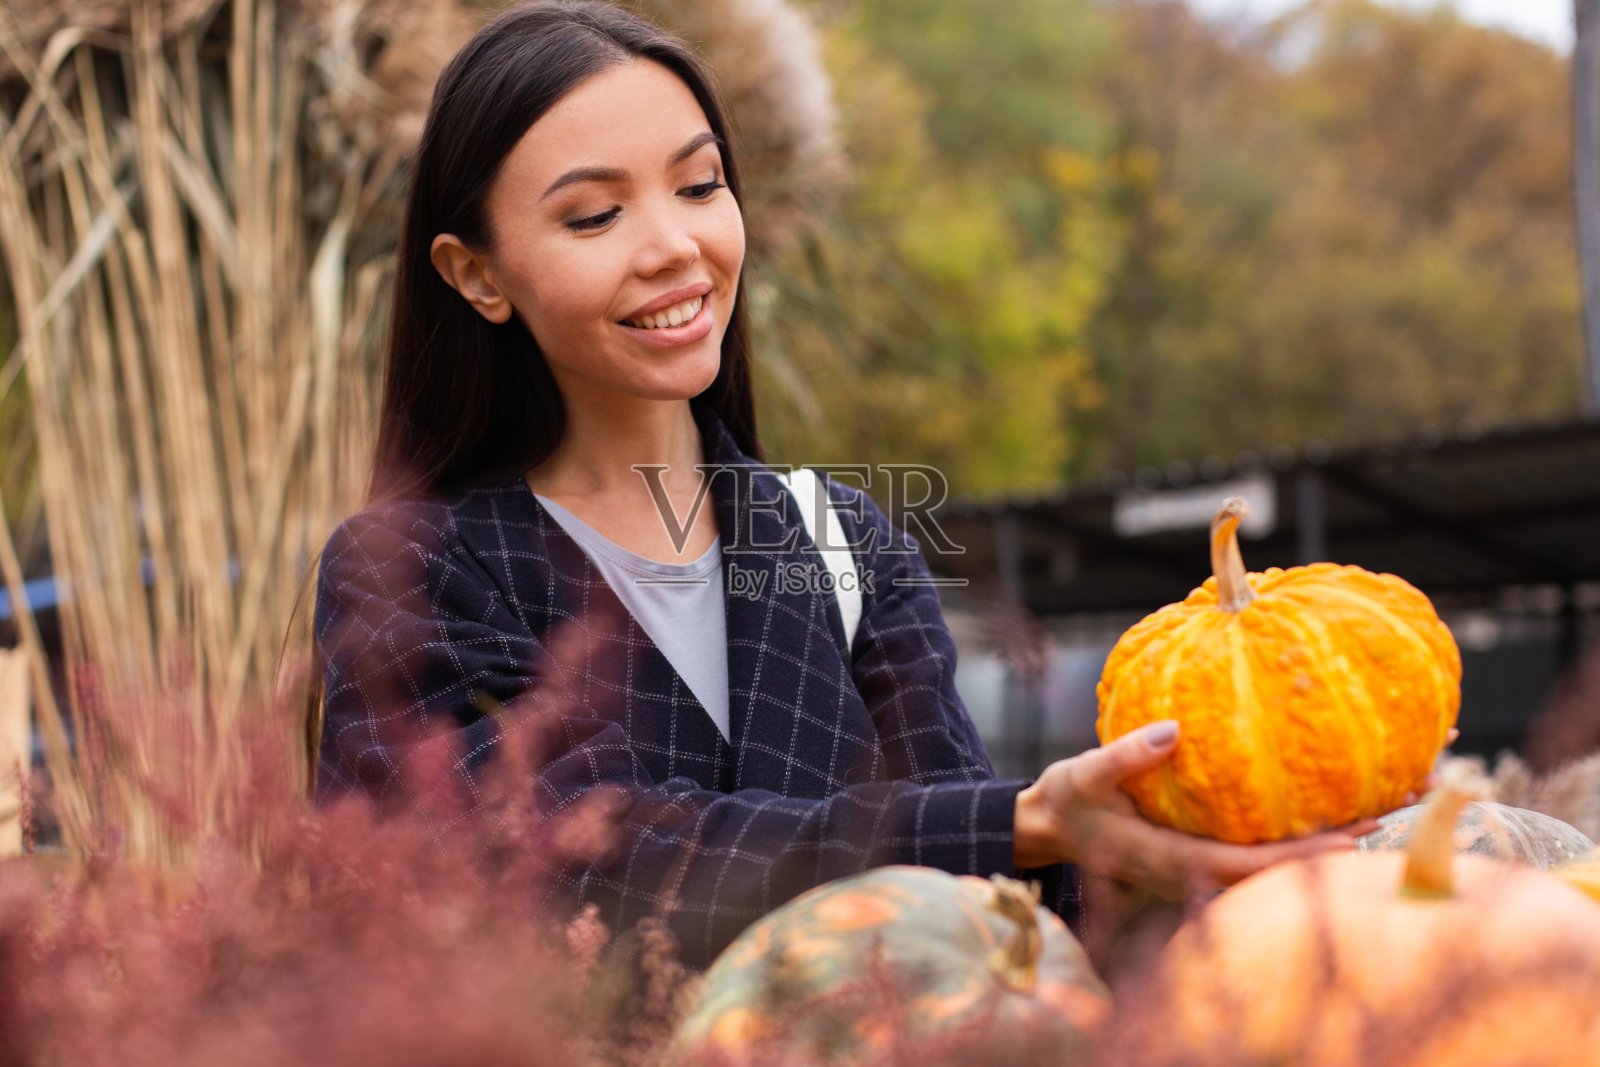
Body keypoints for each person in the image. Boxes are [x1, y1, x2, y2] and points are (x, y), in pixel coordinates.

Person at [312, 0, 1370, 967]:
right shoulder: (411, 569)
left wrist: (1208, 823)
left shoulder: (839, 540)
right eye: (595, 216)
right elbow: (552, 861)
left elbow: (986, 898)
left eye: (699, 185)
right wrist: (1014, 819)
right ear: (477, 273)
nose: (675, 246)